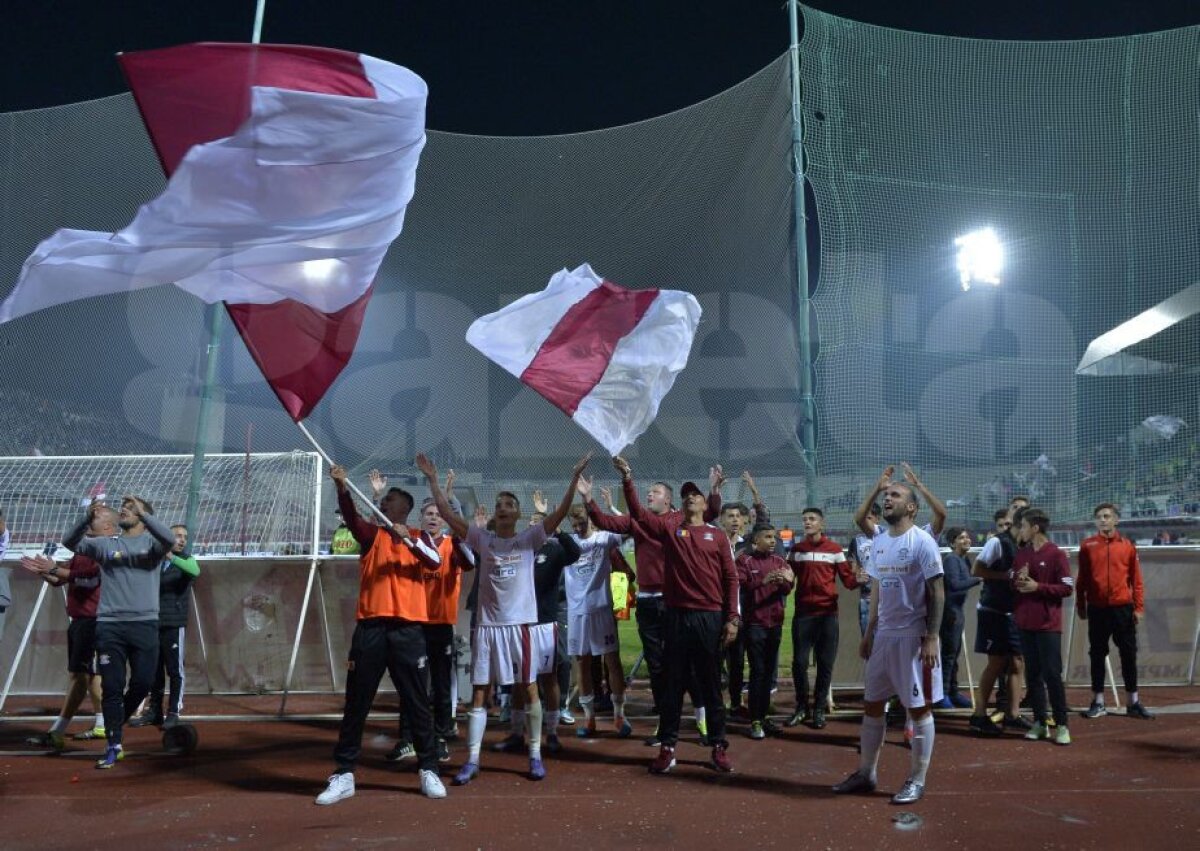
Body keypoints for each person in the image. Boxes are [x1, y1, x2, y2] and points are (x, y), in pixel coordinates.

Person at [419, 451, 590, 786]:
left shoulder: (529, 539)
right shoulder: (482, 539)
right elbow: (447, 514)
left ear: (518, 514)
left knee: (529, 689)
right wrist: (433, 480)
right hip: (487, 628)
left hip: (519, 628)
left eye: (509, 504)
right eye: (499, 504)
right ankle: (472, 760)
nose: (502, 507)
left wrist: (573, 479)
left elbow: (559, 514)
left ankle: (535, 755)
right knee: (479, 693)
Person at [315, 464, 446, 806]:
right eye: (384, 500)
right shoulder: (372, 535)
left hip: (408, 630)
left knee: (417, 703)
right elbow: (351, 517)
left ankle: (428, 769)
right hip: (371, 628)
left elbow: (434, 562)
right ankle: (344, 774)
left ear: (404, 508)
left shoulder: (420, 537)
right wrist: (342, 488)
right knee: (357, 703)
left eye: (390, 499)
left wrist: (408, 539)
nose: (384, 502)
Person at [614, 456, 740, 775]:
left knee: (711, 684)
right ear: (680, 505)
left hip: (709, 617)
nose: (690, 498)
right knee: (672, 685)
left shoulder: (717, 536)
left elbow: (731, 578)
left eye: (695, 495)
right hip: (677, 617)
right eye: (685, 496)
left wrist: (732, 618)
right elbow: (639, 513)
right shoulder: (671, 530)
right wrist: (628, 479)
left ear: (704, 504)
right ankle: (668, 748)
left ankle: (719, 746)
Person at [583, 474, 720, 747]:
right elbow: (605, 522)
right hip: (647, 601)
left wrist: (714, 490)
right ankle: (665, 721)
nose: (649, 495)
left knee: (687, 663)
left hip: (674, 601)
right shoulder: (638, 520)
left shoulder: (679, 519)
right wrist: (588, 499)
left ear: (668, 499)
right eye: (648, 492)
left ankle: (701, 717)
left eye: (655, 492)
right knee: (656, 665)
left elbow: (711, 512)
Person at [832, 476, 945, 805]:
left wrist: (932, 637)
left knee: (919, 710)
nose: (887, 498)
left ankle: (917, 780)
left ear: (911, 507)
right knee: (872, 705)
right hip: (883, 637)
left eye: (895, 495)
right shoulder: (880, 542)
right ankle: (866, 773)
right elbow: (878, 590)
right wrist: (870, 633)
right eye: (886, 495)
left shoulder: (922, 541)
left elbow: (938, 591)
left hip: (913, 637)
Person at [62, 496, 177, 769]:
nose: (125, 509)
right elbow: (69, 542)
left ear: (144, 518)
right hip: (109, 625)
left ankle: (116, 721)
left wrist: (145, 514)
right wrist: (85, 519)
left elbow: (170, 539)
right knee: (112, 686)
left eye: (132, 508)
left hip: (144, 624)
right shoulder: (106, 545)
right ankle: (114, 744)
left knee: (143, 682)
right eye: (124, 507)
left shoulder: (152, 545)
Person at [20, 507, 115, 749]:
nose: (89, 521)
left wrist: (53, 568)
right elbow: (60, 580)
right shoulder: (83, 550)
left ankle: (57, 731)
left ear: (108, 527)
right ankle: (102, 724)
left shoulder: (106, 550)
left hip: (93, 620)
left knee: (79, 676)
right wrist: (43, 571)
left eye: (95, 518)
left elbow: (89, 579)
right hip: (81, 620)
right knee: (91, 675)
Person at [492, 510, 580, 755]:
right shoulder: (518, 550)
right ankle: (516, 733)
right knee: (520, 680)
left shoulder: (553, 550)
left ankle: (551, 733)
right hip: (520, 623)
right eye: (531, 523)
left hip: (545, 623)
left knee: (549, 678)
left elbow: (575, 553)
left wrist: (558, 531)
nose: (534, 527)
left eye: (540, 524)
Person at [1076, 503, 1153, 719]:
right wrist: (1081, 605)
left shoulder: (1127, 546)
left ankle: (1133, 702)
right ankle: (1098, 702)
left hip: (1122, 609)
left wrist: (1138, 607)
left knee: (1128, 654)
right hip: (1097, 609)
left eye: (1107, 516)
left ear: (1116, 520)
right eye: (1099, 516)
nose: (1102, 520)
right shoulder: (1087, 546)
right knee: (1097, 654)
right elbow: (1082, 580)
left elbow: (1136, 580)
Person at [564, 498, 632, 739]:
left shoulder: (604, 538)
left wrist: (608, 508)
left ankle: (619, 715)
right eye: (574, 524)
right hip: (576, 613)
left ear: (591, 520)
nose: (578, 528)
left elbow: (630, 526)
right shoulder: (568, 543)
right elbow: (540, 536)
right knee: (582, 664)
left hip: (601, 608)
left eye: (582, 523)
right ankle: (589, 719)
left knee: (612, 661)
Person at [785, 507, 857, 729]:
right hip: (803, 615)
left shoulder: (834, 550)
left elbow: (848, 582)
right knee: (799, 663)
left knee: (825, 664)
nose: (807, 522)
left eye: (812, 519)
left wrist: (859, 578)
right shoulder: (796, 550)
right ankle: (801, 707)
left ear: (822, 524)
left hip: (827, 615)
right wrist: (783, 580)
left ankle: (818, 709)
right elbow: (788, 583)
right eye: (805, 519)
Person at [1011, 508, 1073, 744]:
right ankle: (1040, 723)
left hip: (1048, 626)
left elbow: (1067, 588)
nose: (1021, 530)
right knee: (1033, 675)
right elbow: (1014, 583)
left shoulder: (1056, 554)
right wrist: (1018, 579)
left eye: (1024, 526)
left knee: (1052, 675)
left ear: (1035, 528)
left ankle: (1062, 725)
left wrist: (1038, 587)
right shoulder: (1022, 554)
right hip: (1025, 623)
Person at [967, 504, 1031, 736]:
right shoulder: (997, 542)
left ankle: (1012, 715)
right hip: (993, 611)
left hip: (1014, 611)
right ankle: (978, 715)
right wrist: (1006, 576)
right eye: (1031, 526)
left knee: (1018, 662)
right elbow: (977, 569)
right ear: (1021, 524)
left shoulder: (1026, 546)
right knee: (996, 663)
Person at [129, 524, 199, 729]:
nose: (182, 540)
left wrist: (171, 557)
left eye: (185, 537)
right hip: (153, 623)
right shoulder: (155, 562)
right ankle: (154, 711)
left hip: (173, 624)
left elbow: (195, 570)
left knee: (175, 670)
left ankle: (174, 711)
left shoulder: (186, 560)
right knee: (154, 670)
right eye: (177, 536)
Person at [736, 524, 794, 739]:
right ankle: (755, 720)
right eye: (768, 537)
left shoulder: (779, 560)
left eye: (774, 537)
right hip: (755, 624)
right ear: (755, 541)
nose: (772, 541)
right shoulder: (745, 561)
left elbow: (787, 589)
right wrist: (763, 581)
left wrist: (786, 581)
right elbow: (740, 587)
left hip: (775, 623)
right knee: (758, 672)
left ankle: (764, 716)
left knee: (769, 673)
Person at [930, 526, 980, 709]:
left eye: (967, 537)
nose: (966, 540)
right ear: (952, 543)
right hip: (950, 612)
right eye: (961, 538)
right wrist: (978, 579)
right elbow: (955, 585)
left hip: (957, 610)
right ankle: (941, 695)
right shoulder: (951, 560)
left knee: (954, 654)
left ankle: (952, 691)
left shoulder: (963, 559)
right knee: (949, 655)